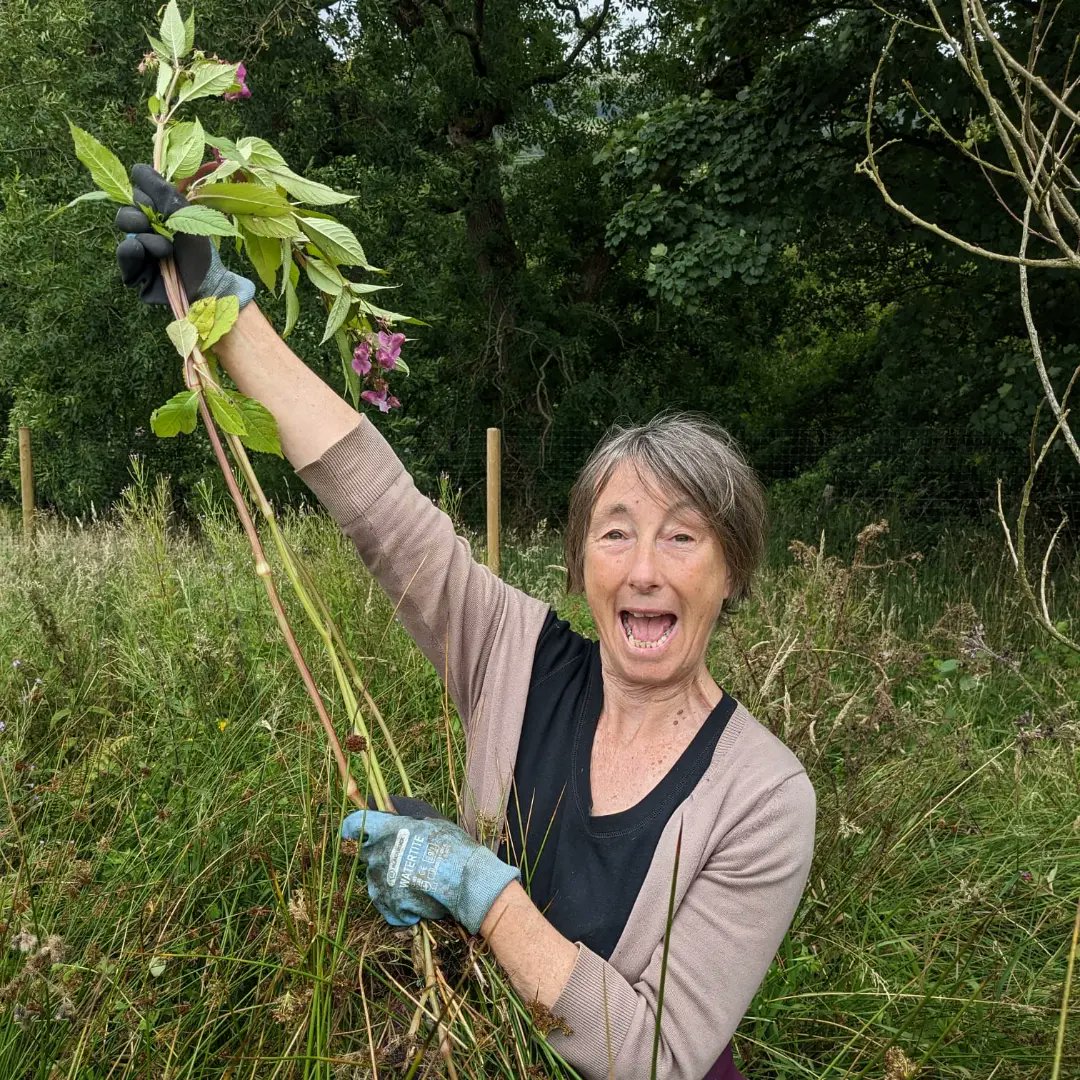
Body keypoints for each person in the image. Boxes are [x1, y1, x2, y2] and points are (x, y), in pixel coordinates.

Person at [114, 166, 816, 1080]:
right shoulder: (511, 653)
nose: (645, 568)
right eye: (616, 532)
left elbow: (659, 1053)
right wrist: (220, 308)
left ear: (733, 573)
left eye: (684, 538)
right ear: (579, 563)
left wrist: (476, 890)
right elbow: (379, 508)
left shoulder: (763, 797)